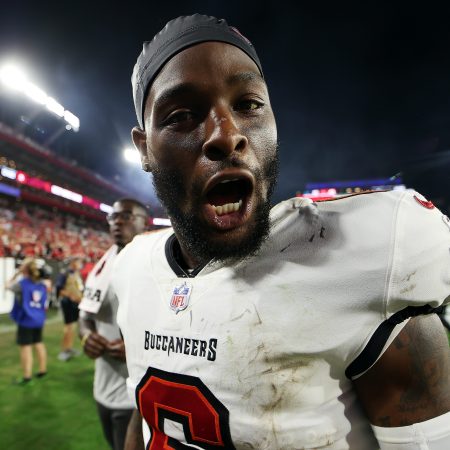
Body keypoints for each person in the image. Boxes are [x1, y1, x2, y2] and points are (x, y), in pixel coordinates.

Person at [113, 14, 450, 450]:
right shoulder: (132, 269)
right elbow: (145, 421)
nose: (227, 134)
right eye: (181, 115)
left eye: (248, 104)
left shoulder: (366, 258)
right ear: (144, 148)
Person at [78, 199, 148, 450]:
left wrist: (137, 350)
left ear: (144, 222)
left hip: (136, 396)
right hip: (103, 388)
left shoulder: (156, 267)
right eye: (113, 216)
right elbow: (85, 316)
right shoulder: (102, 266)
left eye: (127, 216)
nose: (118, 221)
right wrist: (86, 336)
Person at [7, 258, 49, 385]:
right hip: (39, 318)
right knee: (39, 343)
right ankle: (42, 371)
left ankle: (27, 377)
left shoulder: (21, 283)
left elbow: (7, 285)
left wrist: (16, 273)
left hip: (26, 320)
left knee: (26, 347)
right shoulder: (42, 284)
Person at [56, 256, 84, 361]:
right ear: (73, 262)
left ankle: (69, 348)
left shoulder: (76, 273)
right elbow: (59, 290)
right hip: (68, 303)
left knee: (72, 327)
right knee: (68, 327)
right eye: (78, 261)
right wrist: (71, 296)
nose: (80, 263)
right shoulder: (65, 273)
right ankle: (64, 351)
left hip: (76, 303)